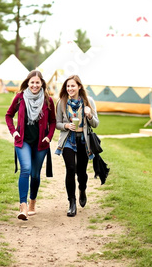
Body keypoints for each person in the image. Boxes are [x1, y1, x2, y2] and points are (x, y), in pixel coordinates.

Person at [5, 70, 56, 220]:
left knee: (35, 174)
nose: (34, 85)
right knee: (25, 169)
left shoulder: (48, 100)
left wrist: (49, 136)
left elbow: (52, 121)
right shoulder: (20, 98)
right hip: (23, 141)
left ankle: (33, 201)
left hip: (41, 143)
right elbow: (8, 115)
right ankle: (23, 206)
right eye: (32, 82)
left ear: (42, 84)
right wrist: (13, 132)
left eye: (37, 82)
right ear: (28, 83)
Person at [55, 75, 99, 217]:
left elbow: (96, 124)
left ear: (79, 86)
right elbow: (57, 123)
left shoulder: (88, 101)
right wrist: (66, 125)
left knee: (81, 172)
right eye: (68, 86)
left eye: (73, 86)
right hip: (68, 140)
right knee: (70, 168)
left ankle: (82, 189)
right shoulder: (61, 102)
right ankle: (72, 203)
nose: (70, 89)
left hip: (83, 141)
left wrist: (90, 115)